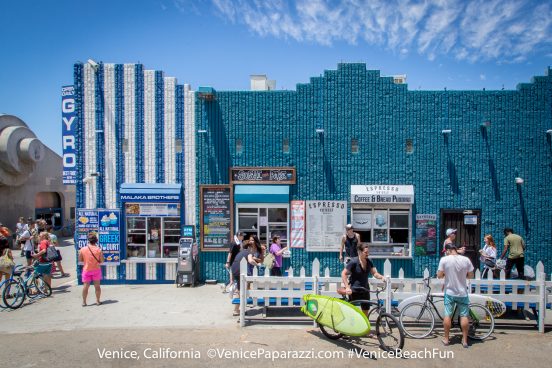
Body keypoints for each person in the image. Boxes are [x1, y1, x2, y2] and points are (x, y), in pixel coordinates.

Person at [437, 243, 474, 348]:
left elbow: (439, 275)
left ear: (448, 250)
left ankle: (446, 339)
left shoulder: (444, 260)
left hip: (449, 292)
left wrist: (446, 273)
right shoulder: (466, 260)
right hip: (462, 292)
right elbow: (471, 275)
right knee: (464, 316)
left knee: (448, 315)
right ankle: (465, 340)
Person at [341, 243, 386, 315]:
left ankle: (365, 326)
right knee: (351, 312)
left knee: (365, 311)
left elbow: (374, 273)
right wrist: (347, 287)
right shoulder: (353, 262)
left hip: (365, 289)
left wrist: (382, 277)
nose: (367, 254)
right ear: (359, 251)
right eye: (366, 252)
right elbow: (343, 273)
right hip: (354, 290)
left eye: (368, 252)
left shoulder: (369, 261)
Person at [230, 242, 260, 316]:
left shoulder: (241, 253)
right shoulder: (248, 252)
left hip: (234, 270)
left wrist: (231, 279)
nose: (254, 250)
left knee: (240, 290)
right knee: (242, 291)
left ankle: (236, 309)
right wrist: (258, 265)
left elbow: (233, 265)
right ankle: (238, 310)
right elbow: (250, 260)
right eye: (253, 248)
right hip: (241, 271)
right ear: (250, 247)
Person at [78, 232, 104, 306]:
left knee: (85, 286)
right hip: (96, 270)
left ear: (88, 240)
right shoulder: (98, 249)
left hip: (86, 270)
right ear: (96, 240)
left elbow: (80, 260)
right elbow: (102, 261)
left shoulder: (82, 249)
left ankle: (84, 302)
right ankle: (98, 301)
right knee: (97, 286)